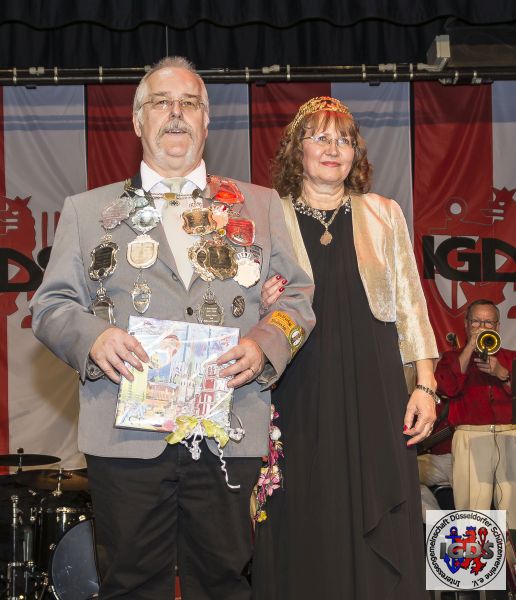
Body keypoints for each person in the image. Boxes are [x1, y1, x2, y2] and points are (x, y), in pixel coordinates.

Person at [30, 56, 315, 600]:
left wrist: (265, 344)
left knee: (224, 583)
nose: (176, 113)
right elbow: (51, 307)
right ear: (138, 120)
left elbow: (299, 298)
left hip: (229, 427)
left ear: (207, 120)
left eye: (189, 103)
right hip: (125, 433)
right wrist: (94, 338)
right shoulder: (88, 211)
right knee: (130, 584)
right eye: (161, 102)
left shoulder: (260, 206)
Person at [251, 96, 439, 600]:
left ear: (356, 153)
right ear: (298, 149)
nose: (333, 149)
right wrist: (259, 303)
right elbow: (239, 311)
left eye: (345, 140)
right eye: (321, 137)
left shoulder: (384, 213)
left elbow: (411, 304)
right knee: (304, 508)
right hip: (297, 388)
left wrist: (425, 385)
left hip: (376, 387)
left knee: (381, 500)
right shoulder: (268, 216)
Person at [435, 299, 516, 527]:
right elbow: (447, 388)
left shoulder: (511, 357)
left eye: (488, 322)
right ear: (466, 324)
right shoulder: (451, 358)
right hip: (469, 437)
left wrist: (503, 374)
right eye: (476, 322)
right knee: (471, 512)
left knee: (514, 511)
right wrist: (470, 347)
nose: (482, 327)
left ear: (497, 326)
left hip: (510, 435)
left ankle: (511, 551)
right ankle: (474, 551)